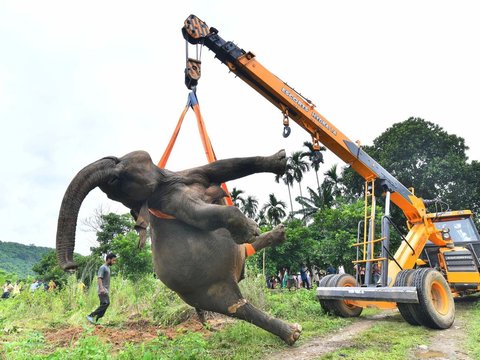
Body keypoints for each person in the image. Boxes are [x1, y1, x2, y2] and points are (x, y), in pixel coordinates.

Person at [86, 253, 117, 324]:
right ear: (108, 259)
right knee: (106, 303)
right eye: (113, 260)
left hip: (105, 289)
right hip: (102, 290)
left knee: (103, 307)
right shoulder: (103, 267)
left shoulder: (108, 268)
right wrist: (101, 288)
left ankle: (96, 321)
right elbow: (99, 278)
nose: (114, 262)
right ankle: (91, 315)